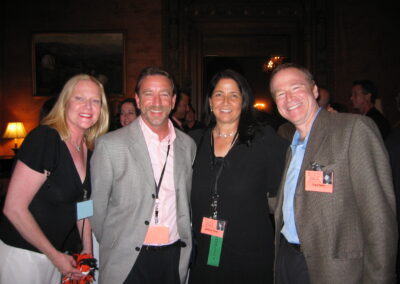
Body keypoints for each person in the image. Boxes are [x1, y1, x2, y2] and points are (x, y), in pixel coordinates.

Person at [269, 63, 397, 284]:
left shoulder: (354, 129)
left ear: (315, 91)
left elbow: (379, 219)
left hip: (336, 270)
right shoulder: (291, 143)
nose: (289, 98)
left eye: (296, 87)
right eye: (280, 93)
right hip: (287, 260)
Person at [90, 66, 196, 284]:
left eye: (164, 94)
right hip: (127, 261)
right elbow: (97, 210)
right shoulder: (109, 145)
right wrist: (118, 242)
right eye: (148, 94)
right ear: (138, 100)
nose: (156, 102)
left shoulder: (188, 145)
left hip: (173, 257)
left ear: (173, 100)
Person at [0, 74, 109, 283]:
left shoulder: (88, 148)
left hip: (55, 254)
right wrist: (54, 255)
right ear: (65, 102)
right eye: (80, 98)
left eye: (96, 101)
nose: (88, 106)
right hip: (22, 254)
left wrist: (87, 250)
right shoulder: (45, 138)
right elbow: (13, 208)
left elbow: (83, 204)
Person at [188, 69, 288, 284]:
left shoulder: (263, 139)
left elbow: (295, 170)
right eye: (218, 94)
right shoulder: (194, 142)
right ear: (210, 101)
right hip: (206, 249)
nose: (226, 101)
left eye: (234, 95)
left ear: (244, 101)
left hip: (250, 254)